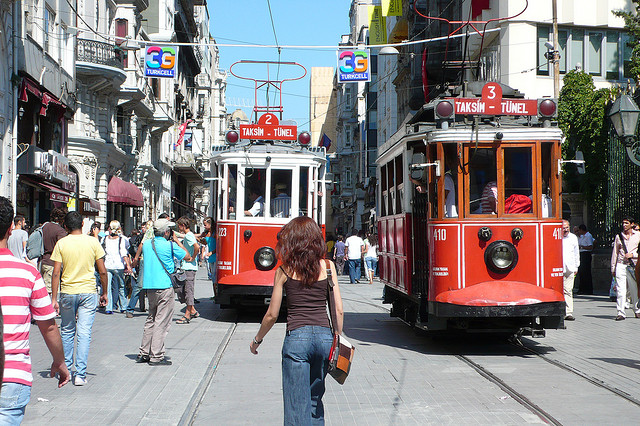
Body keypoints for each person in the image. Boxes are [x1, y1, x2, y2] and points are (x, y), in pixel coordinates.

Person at [249, 216, 344, 424]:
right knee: (314, 401)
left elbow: (272, 315)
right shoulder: (328, 267)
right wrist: (337, 338)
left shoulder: (284, 271)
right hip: (324, 339)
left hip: (297, 341)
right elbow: (338, 309)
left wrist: (257, 340)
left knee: (295, 405)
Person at [0, 197, 70, 422]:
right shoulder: (28, 274)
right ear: (11, 229)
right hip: (12, 376)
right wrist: (59, 361)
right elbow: (49, 327)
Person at [50, 211, 108, 386]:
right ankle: (80, 374)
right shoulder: (92, 242)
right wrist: (105, 292)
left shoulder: (61, 243)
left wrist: (53, 298)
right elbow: (102, 270)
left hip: (67, 292)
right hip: (88, 292)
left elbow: (55, 273)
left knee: (67, 331)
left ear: (65, 226)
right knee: (84, 333)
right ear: (83, 224)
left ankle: (66, 369)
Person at [135, 218, 191, 365]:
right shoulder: (170, 245)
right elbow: (187, 256)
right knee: (161, 322)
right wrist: (177, 241)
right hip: (165, 287)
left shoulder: (147, 244)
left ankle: (143, 353)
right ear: (166, 232)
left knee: (151, 319)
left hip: (150, 287)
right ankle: (156, 355)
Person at [611, 215, 640, 320]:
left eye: (626, 223)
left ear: (632, 224)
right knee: (620, 290)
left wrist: (633, 255)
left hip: (633, 265)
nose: (624, 225)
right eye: (623, 223)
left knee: (634, 289)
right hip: (621, 264)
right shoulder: (619, 236)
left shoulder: (638, 235)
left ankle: (637, 310)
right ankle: (621, 312)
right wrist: (613, 268)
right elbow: (615, 252)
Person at [101, 220, 131, 314]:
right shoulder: (122, 239)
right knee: (121, 286)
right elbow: (124, 253)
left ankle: (108, 308)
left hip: (107, 265)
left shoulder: (104, 239)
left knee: (108, 287)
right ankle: (124, 306)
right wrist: (128, 266)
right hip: (119, 265)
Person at [176, 216, 200, 324]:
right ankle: (193, 311)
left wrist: (193, 257)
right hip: (187, 267)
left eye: (179, 226)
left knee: (188, 291)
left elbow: (197, 247)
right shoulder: (188, 235)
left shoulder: (189, 236)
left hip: (189, 267)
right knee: (184, 290)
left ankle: (187, 315)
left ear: (183, 225)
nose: (178, 227)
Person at [40, 208, 68, 295]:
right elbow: (64, 248)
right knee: (51, 291)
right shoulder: (60, 231)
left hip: (43, 261)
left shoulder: (44, 226)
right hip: (53, 263)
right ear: (62, 219)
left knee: (44, 287)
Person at [561, 220, 580, 321]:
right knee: (559, 291)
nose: (566, 229)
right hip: (559, 268)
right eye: (564, 228)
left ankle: (568, 312)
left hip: (570, 267)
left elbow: (576, 253)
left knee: (568, 290)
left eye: (567, 227)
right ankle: (559, 311)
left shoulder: (573, 237)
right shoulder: (556, 236)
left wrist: (576, 266)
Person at [577, 224, 595, 295]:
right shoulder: (581, 236)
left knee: (586, 272)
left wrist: (582, 247)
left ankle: (588, 289)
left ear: (582, 230)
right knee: (582, 272)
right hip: (581, 254)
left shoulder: (588, 236)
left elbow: (590, 247)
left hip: (586, 254)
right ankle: (582, 288)